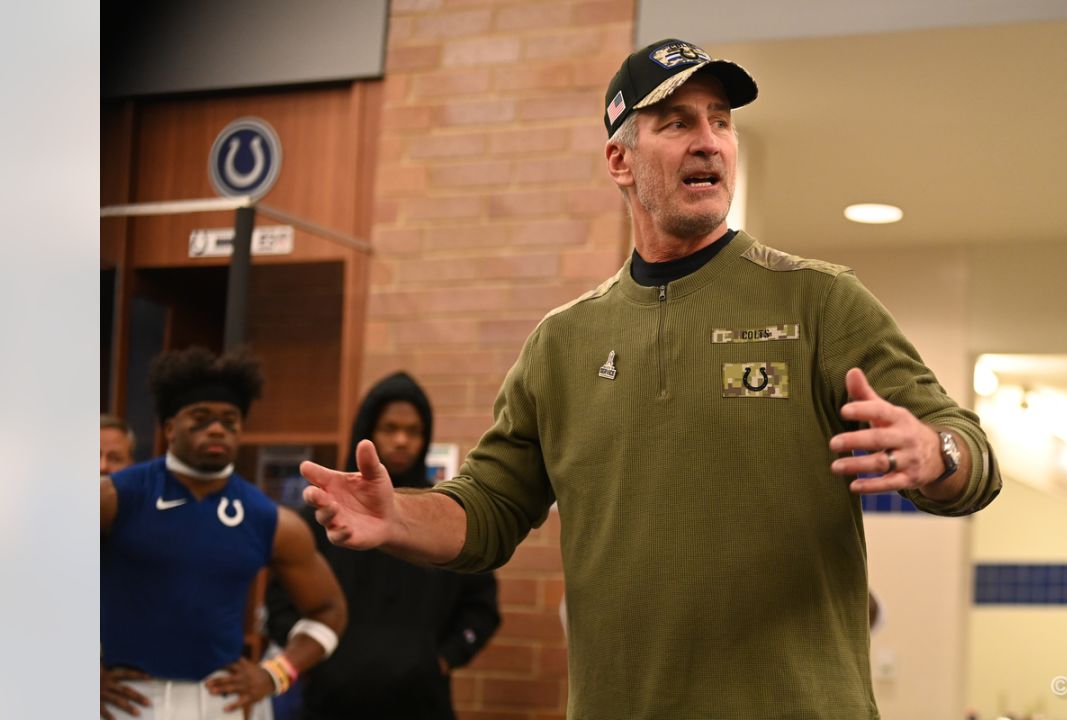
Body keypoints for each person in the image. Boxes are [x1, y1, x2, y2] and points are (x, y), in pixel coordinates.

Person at [301, 38, 1002, 719]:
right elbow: (488, 509)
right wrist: (398, 519)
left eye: (720, 121)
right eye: (677, 123)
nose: (710, 140)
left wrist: (932, 453)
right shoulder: (562, 343)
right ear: (620, 160)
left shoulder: (819, 301)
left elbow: (972, 454)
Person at [101, 347, 348, 720]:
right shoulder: (114, 497)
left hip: (224, 701)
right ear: (169, 428)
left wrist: (275, 674)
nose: (216, 429)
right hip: (127, 700)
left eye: (228, 421)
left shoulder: (270, 519)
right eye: (200, 419)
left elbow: (330, 611)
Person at [266, 371, 500, 720]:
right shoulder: (320, 517)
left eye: (414, 431)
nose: (402, 440)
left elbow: (481, 608)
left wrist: (441, 659)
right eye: (389, 429)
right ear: (368, 432)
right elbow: (280, 605)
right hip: (329, 703)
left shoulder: (447, 518)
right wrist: (318, 657)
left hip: (421, 703)